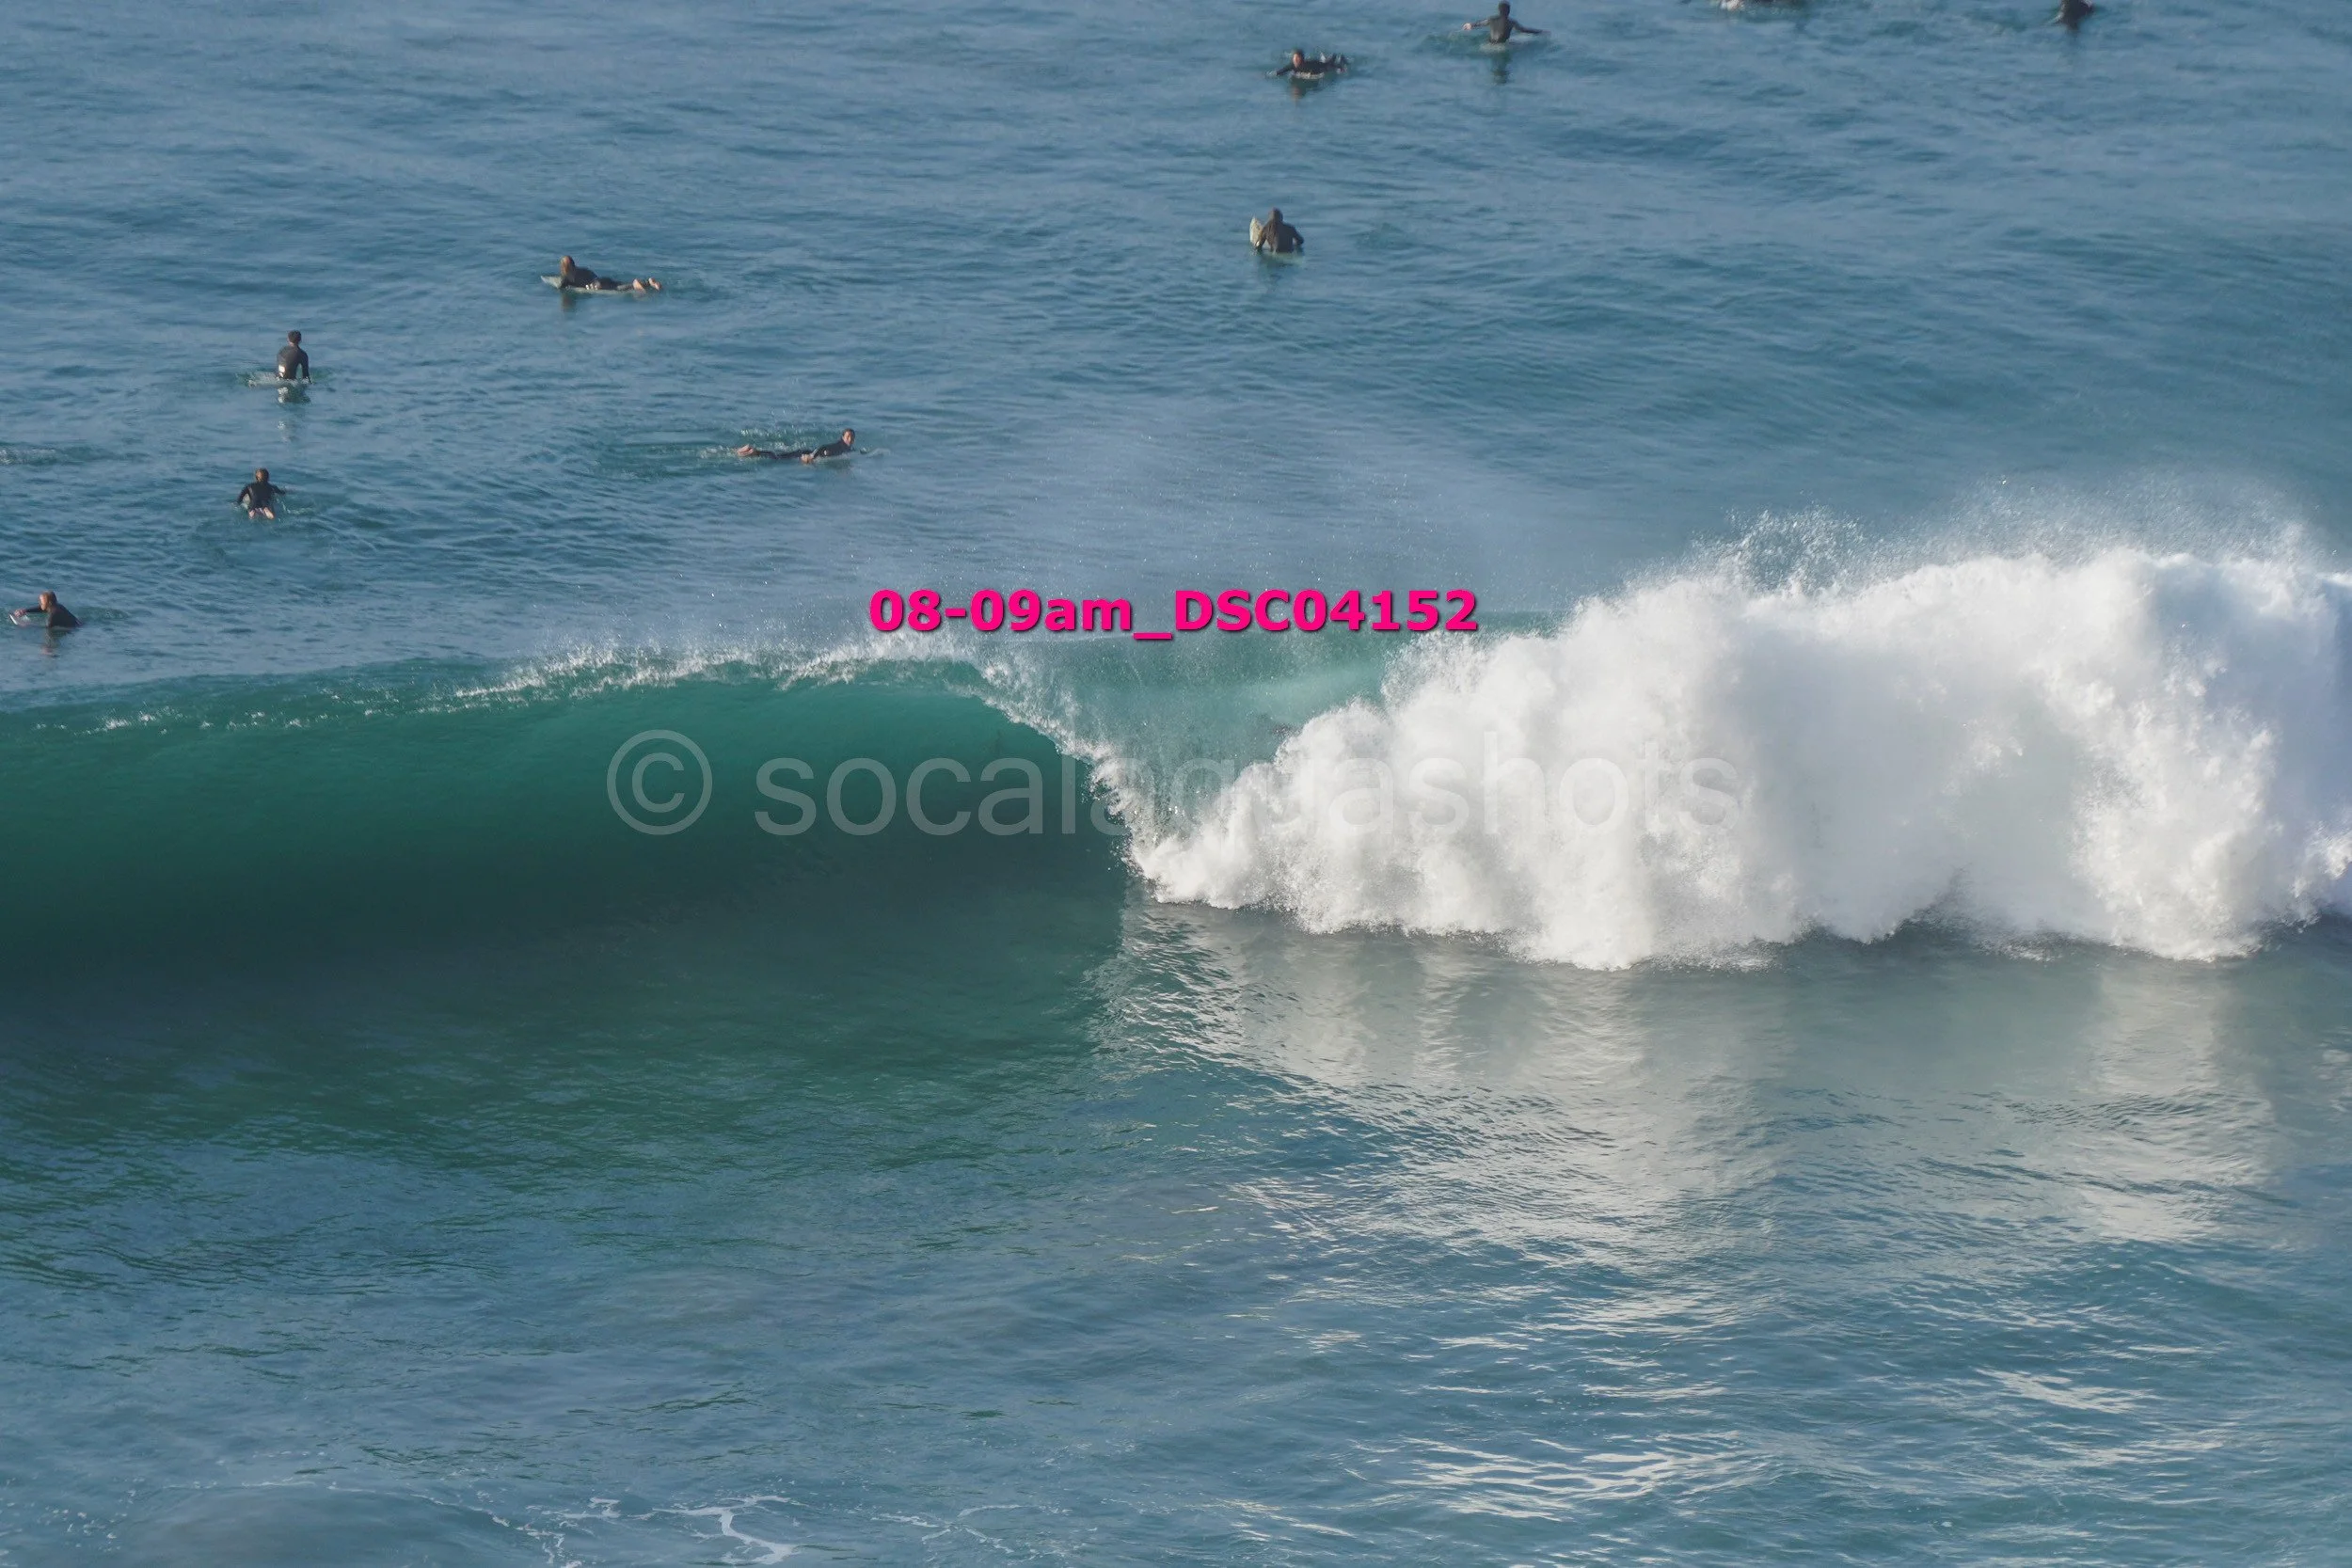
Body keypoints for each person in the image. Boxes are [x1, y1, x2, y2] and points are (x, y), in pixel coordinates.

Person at [735, 429, 855, 463]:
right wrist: (812, 456)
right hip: (806, 454)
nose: (850, 439)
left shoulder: (846, 448)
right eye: (848, 436)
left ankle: (753, 451)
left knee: (780, 456)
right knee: (778, 458)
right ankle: (754, 452)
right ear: (842, 437)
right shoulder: (840, 445)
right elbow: (823, 447)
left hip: (806, 452)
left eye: (852, 437)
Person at [556, 255, 660, 293]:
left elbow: (561, 287)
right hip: (601, 279)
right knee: (618, 284)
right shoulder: (583, 269)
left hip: (596, 286)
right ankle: (648, 282)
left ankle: (634, 284)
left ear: (564, 268)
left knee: (618, 289)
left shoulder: (567, 277)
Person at [1465, 2, 1545, 42]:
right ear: (1508, 11)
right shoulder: (1511, 22)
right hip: (1501, 47)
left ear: (1498, 10)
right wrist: (1540, 32)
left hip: (1488, 45)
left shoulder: (1491, 19)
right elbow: (1523, 30)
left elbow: (1479, 24)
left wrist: (1470, 25)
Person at [11, 591, 78, 630]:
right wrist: (25, 610)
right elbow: (42, 608)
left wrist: (27, 624)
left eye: (41, 601)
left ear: (49, 603)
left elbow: (48, 629)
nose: (39, 602)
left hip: (74, 629)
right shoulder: (57, 606)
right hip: (78, 624)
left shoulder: (53, 615)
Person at [1277, 49, 1347, 80]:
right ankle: (1332, 57)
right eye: (1294, 58)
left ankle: (1340, 58)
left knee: (1328, 63)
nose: (1295, 60)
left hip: (1320, 67)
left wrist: (1340, 68)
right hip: (1312, 73)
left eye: (1298, 58)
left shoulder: (1310, 64)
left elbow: (1325, 66)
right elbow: (1282, 71)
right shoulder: (1292, 65)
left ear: (1302, 59)